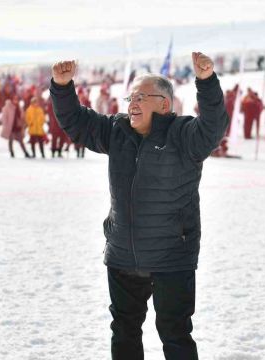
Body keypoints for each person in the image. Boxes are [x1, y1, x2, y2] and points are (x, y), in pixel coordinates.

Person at [50, 51, 228, 360]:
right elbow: (77, 123)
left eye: (141, 97)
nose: (132, 104)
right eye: (130, 97)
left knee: (175, 334)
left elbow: (213, 125)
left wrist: (207, 82)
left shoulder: (185, 135)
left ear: (164, 104)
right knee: (124, 331)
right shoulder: (117, 131)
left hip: (172, 257)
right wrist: (62, 88)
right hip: (123, 256)